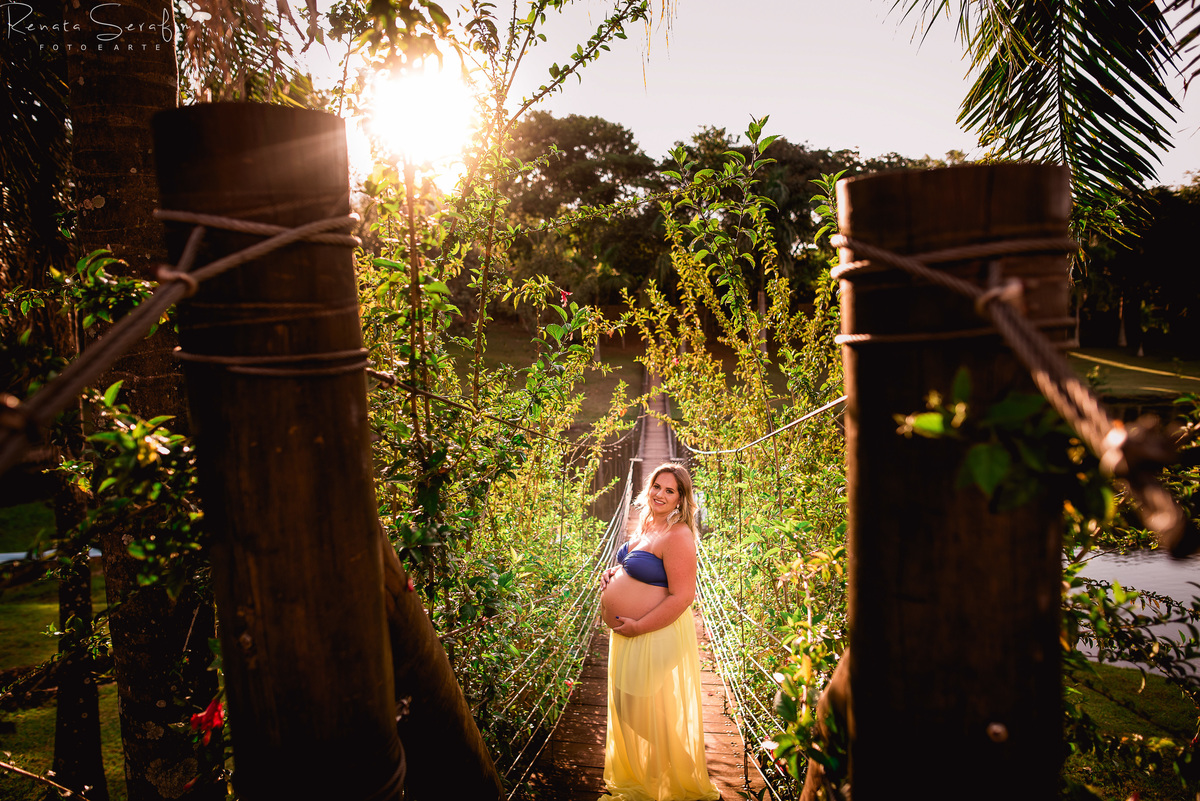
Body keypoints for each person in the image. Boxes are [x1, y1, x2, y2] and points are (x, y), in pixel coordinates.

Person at [597, 463, 719, 801]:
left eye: (670, 490)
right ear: (647, 489)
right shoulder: (647, 525)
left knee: (637, 708)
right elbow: (638, 565)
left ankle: (683, 781)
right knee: (633, 706)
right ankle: (672, 774)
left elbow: (683, 595)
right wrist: (613, 573)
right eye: (657, 487)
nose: (661, 494)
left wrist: (638, 625)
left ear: (681, 499)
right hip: (632, 633)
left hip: (655, 631)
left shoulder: (678, 534)